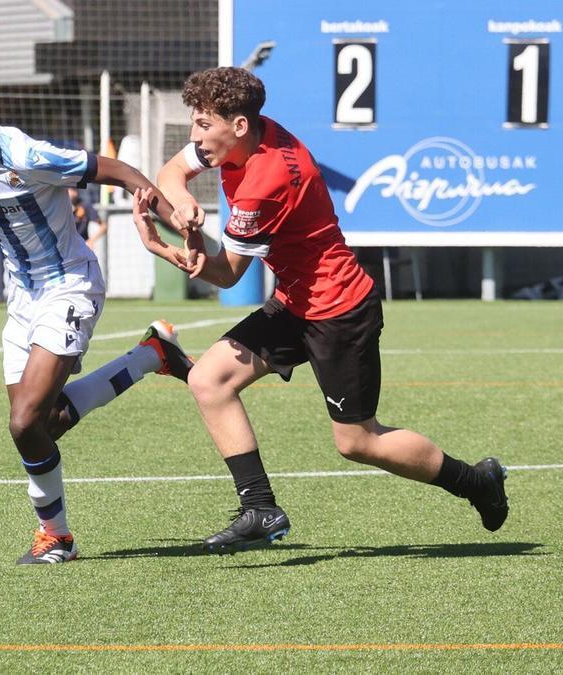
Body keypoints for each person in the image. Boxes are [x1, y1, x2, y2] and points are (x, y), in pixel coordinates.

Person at [135, 66, 508, 551]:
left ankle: (477, 482)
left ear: (238, 126)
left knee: (357, 441)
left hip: (339, 310)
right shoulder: (247, 135)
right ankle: (260, 510)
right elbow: (171, 172)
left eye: (204, 124)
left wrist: (165, 247)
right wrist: (181, 203)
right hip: (296, 300)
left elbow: (226, 274)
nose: (195, 136)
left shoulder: (264, 183)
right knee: (210, 380)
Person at [0, 66, 201, 564]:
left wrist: (164, 212)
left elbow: (111, 169)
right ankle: (150, 355)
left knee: (25, 421)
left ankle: (57, 538)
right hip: (22, 298)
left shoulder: (26, 154)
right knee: (44, 421)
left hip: (69, 285)